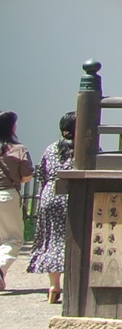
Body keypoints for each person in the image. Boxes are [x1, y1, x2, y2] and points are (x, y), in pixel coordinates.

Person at [28, 114, 75, 304]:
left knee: (52, 240)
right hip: (72, 196)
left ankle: (54, 286)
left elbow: (41, 174)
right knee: (75, 240)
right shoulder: (87, 148)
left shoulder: (50, 148)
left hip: (50, 196)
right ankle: (73, 285)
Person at [0, 112, 30, 291]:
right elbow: (27, 176)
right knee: (13, 239)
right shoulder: (18, 149)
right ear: (11, 127)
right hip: (7, 196)